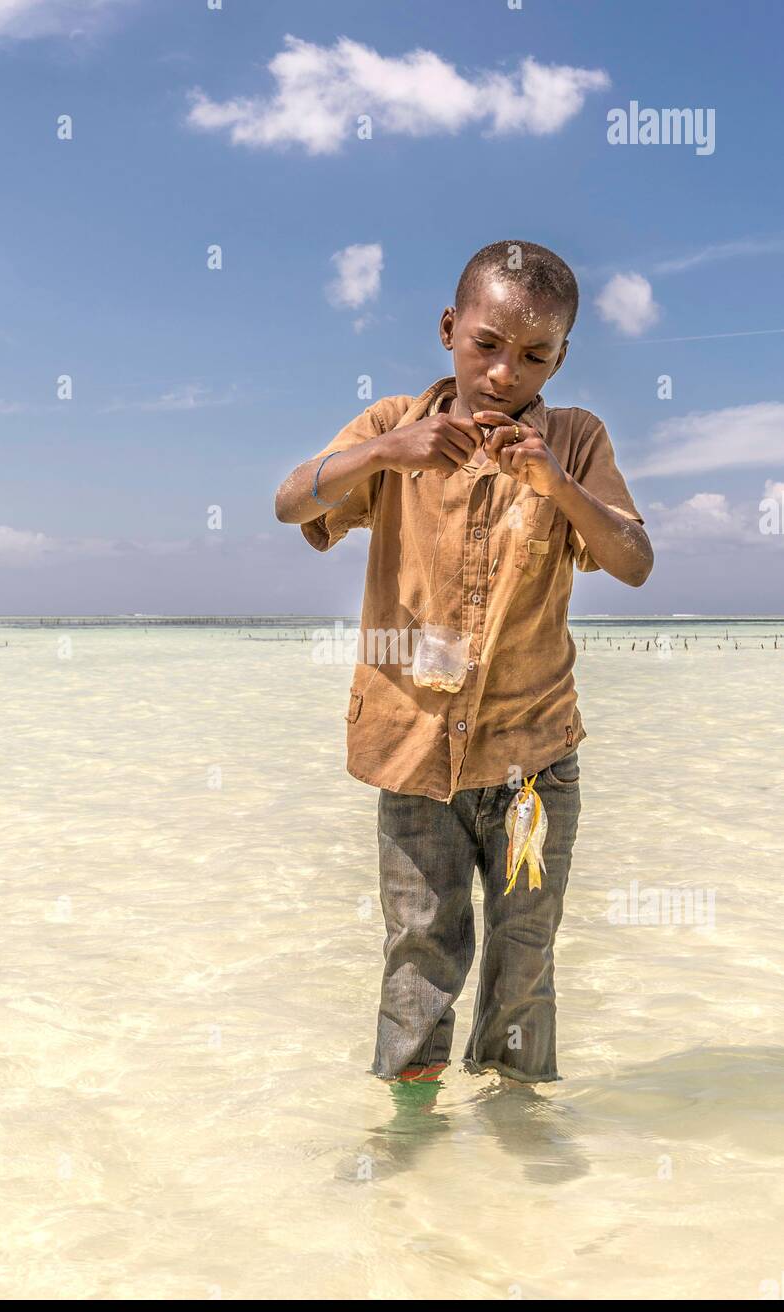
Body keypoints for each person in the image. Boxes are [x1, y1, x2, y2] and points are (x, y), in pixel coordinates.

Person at [275, 240, 653, 1087]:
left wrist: (557, 485)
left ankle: (511, 1166)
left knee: (524, 961)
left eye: (533, 355)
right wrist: (383, 455)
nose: (503, 374)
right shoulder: (392, 424)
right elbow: (290, 499)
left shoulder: (576, 441)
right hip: (413, 754)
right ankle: (411, 1157)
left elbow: (631, 560)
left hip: (534, 762)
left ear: (559, 357)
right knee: (419, 957)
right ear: (449, 328)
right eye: (485, 344)